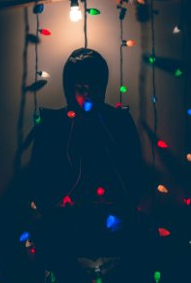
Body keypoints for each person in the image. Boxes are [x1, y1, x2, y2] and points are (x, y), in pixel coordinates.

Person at [28, 48, 155, 282]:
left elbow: (135, 173)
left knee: (145, 233)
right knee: (45, 236)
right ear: (69, 87)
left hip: (113, 214)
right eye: (81, 88)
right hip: (66, 218)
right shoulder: (53, 125)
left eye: (95, 88)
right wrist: (57, 203)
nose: (88, 95)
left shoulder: (118, 122)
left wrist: (120, 202)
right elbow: (38, 178)